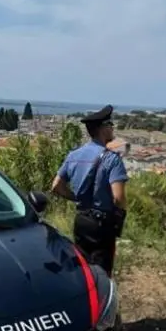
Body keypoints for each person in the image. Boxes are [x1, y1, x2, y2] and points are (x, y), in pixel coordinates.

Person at [50, 105, 128, 277]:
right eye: (111, 125)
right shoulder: (112, 159)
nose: (112, 129)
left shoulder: (74, 155)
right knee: (102, 271)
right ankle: (101, 300)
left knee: (83, 267)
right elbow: (118, 197)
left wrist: (75, 197)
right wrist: (120, 212)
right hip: (103, 223)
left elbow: (56, 186)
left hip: (82, 219)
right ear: (103, 128)